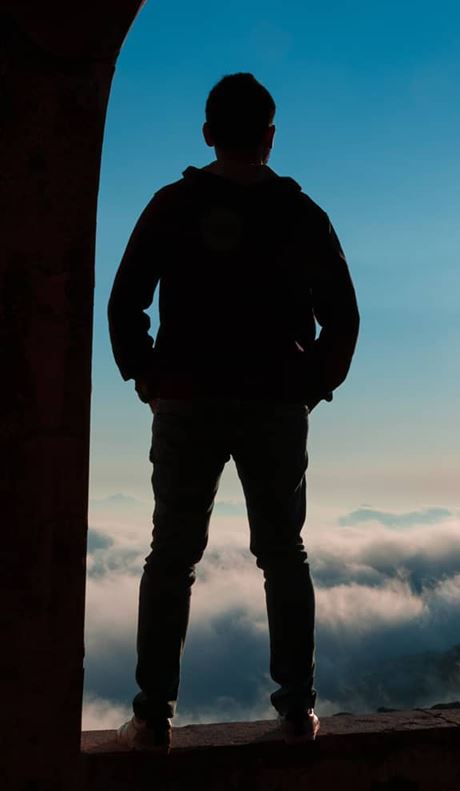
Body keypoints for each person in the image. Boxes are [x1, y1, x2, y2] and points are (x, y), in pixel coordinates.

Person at [107, 73, 360, 752]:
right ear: (270, 136)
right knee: (284, 555)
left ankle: (154, 718)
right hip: (276, 402)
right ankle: (297, 712)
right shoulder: (300, 213)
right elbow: (343, 315)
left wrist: (147, 376)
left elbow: (125, 302)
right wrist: (312, 384)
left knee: (172, 556)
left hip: (186, 400)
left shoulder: (172, 205)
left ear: (208, 132)